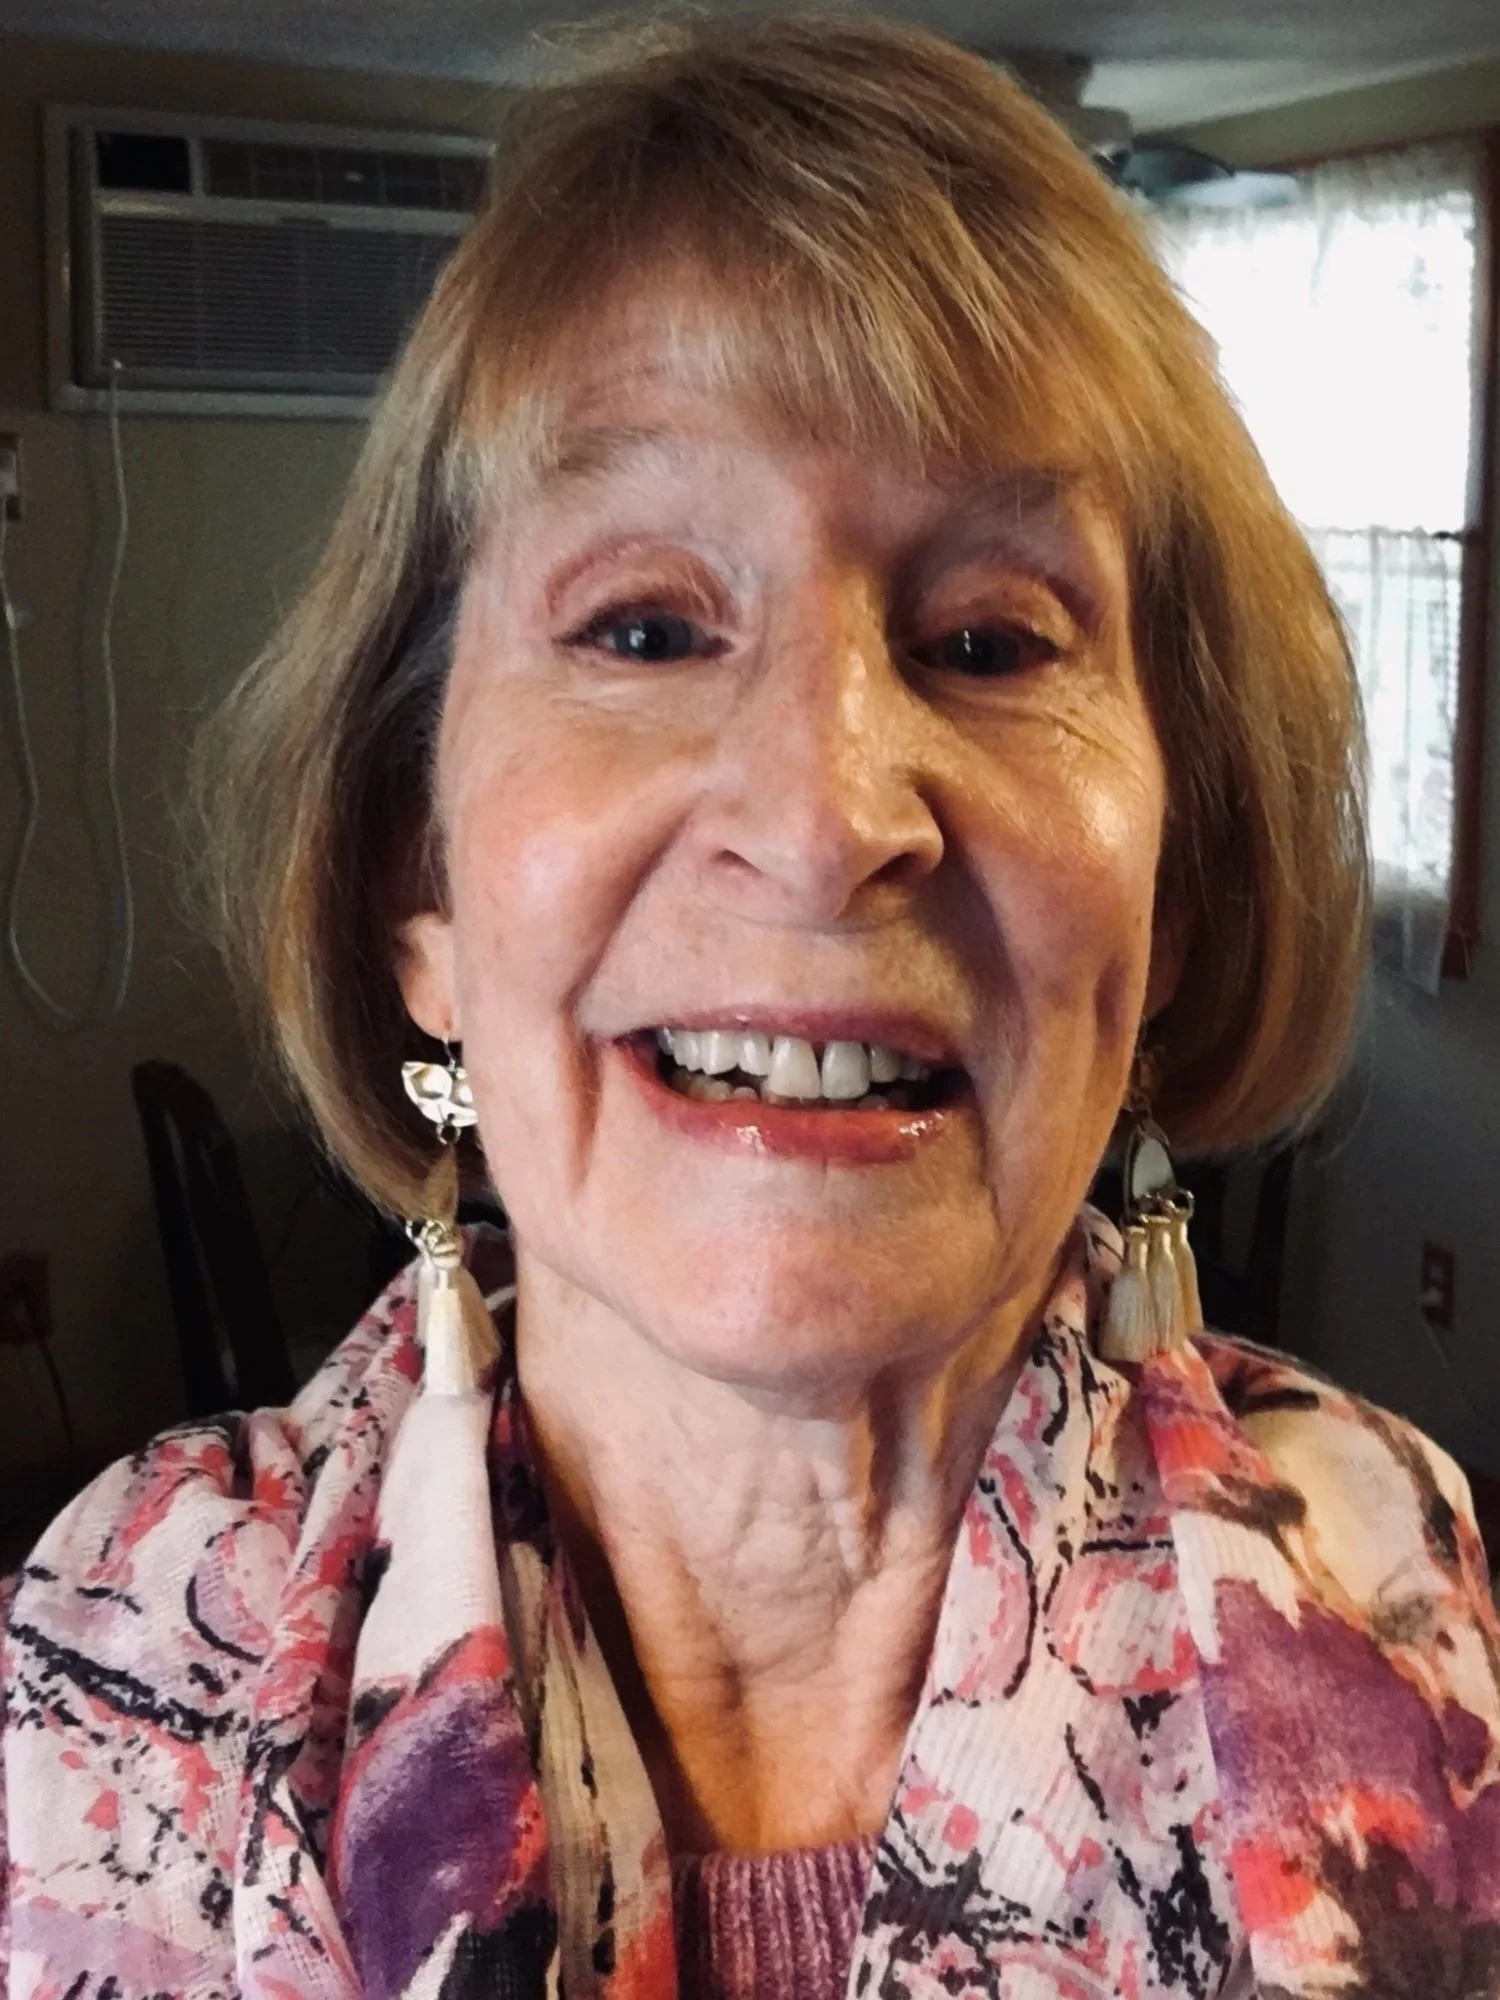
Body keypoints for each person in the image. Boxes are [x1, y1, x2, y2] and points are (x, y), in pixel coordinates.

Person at [5, 15, 1498, 1998]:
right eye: (646, 626)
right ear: (415, 887)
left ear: (1175, 899)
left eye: (990, 640)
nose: (822, 818)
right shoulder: (103, 1668)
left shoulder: (1401, 1593)